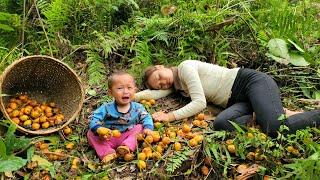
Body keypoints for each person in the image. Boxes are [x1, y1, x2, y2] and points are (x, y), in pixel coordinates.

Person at [134, 60, 320, 137]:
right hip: (238, 101)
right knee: (221, 123)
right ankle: (265, 112)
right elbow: (156, 94)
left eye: (159, 78)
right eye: (158, 85)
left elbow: (200, 103)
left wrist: (170, 116)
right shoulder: (178, 87)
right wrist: (129, 95)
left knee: (275, 128)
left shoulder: (185, 68)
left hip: (250, 83)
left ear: (160, 66)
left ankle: (312, 115)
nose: (162, 83)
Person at [88, 71, 154, 163]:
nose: (125, 91)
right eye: (120, 88)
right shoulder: (106, 108)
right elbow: (94, 118)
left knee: (139, 127)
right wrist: (98, 129)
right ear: (111, 93)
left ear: (135, 90)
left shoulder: (138, 107)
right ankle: (107, 152)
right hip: (108, 137)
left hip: (127, 136)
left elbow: (146, 117)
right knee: (90, 134)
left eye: (129, 88)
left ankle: (126, 147)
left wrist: (148, 127)